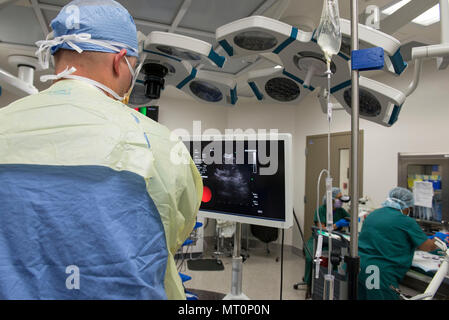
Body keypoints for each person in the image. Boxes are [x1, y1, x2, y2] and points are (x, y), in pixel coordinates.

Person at [0, 0, 202, 299]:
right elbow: (175, 234)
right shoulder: (157, 142)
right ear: (120, 60)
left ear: (56, 55)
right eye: (133, 68)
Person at [358, 187, 449, 300]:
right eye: (409, 208)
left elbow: (388, 239)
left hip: (360, 267)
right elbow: (427, 246)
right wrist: (438, 238)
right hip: (379, 273)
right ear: (405, 206)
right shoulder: (405, 221)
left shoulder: (374, 214)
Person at [303, 187, 350, 298]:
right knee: (311, 258)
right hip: (318, 240)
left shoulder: (341, 211)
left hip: (334, 241)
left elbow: (349, 219)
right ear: (331, 199)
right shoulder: (321, 210)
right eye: (339, 198)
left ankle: (335, 286)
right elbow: (321, 229)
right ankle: (309, 284)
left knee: (337, 260)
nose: (341, 201)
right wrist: (337, 225)